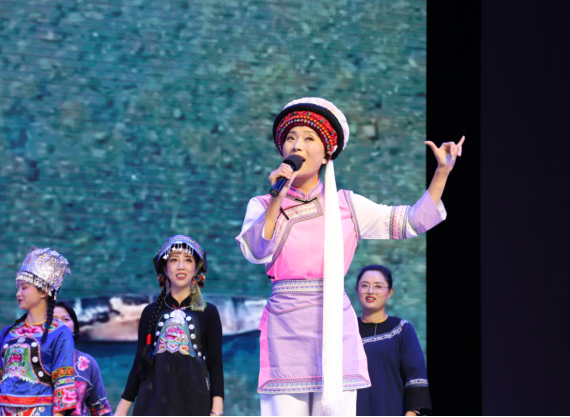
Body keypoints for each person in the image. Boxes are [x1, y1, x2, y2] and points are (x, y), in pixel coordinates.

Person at [236, 97, 463, 416]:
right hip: (285, 328)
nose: (297, 145)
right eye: (291, 138)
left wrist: (441, 173)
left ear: (327, 153)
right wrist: (277, 198)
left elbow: (409, 222)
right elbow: (256, 251)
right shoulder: (261, 205)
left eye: (308, 138)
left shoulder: (347, 206)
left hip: (334, 328)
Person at [115, 235, 224, 416]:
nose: (181, 266)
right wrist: (121, 410)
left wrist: (217, 409)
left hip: (195, 404)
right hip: (152, 405)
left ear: (196, 268)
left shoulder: (209, 312)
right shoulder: (150, 312)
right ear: (165, 268)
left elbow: (215, 364)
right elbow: (139, 364)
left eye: (188, 260)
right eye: (174, 260)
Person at [0, 247, 76, 416]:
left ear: (43, 291)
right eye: (18, 288)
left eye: (24, 287)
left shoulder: (60, 333)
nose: (18, 293)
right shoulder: (8, 333)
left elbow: (63, 388)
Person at [355, 265, 431, 416]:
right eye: (364, 286)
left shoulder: (401, 329)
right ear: (357, 290)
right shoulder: (346, 331)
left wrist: (411, 413)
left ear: (390, 292)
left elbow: (415, 375)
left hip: (391, 409)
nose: (370, 291)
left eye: (378, 286)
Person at [53, 302, 113, 416]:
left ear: (75, 328)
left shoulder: (86, 362)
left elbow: (100, 409)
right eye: (53, 319)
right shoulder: (29, 360)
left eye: (65, 319)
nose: (59, 323)